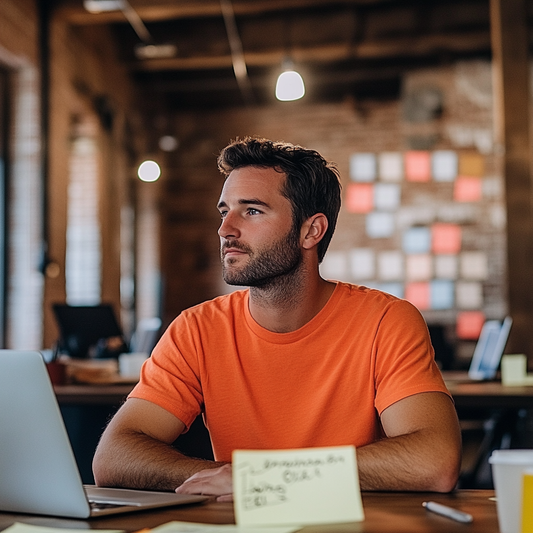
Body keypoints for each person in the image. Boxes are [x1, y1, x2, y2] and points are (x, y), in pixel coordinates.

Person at [93, 137, 462, 500]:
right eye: (225, 211)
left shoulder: (386, 320)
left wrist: (263, 480)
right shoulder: (197, 329)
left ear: (311, 230)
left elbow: (435, 460)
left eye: (251, 211)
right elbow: (112, 458)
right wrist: (228, 479)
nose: (225, 230)